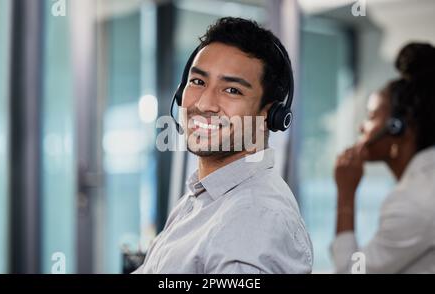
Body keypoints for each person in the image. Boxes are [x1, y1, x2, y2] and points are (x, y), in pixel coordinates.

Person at [134, 17, 313, 274]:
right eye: (198, 82)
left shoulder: (255, 218)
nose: (205, 104)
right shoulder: (202, 198)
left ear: (270, 116)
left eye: (232, 90)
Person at [332, 43, 435, 273]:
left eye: (370, 116)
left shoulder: (412, 201)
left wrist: (345, 195)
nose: (361, 127)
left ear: (397, 126)